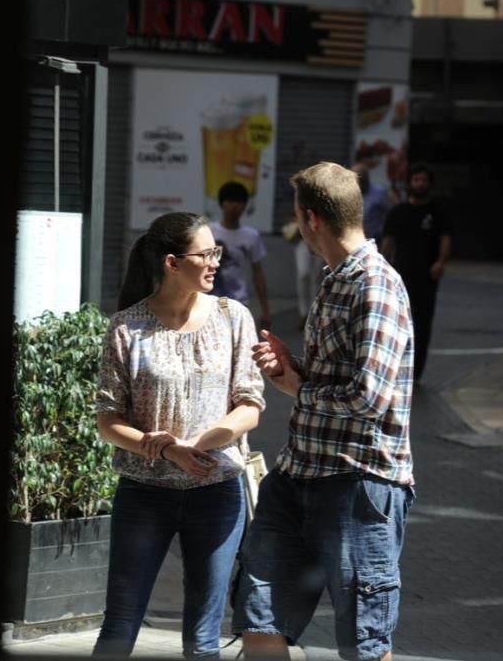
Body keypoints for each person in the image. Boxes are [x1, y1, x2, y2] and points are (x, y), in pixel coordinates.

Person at [232, 162, 415, 661]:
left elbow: (368, 398)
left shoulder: (375, 285)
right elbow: (333, 379)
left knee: (363, 643)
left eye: (295, 216)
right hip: (297, 478)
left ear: (311, 219)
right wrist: (293, 366)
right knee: (259, 621)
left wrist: (298, 386)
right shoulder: (336, 279)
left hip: (359, 488)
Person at [93, 211, 266, 659]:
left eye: (217, 252)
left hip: (218, 490)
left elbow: (250, 405)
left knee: (205, 639)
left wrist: (199, 446)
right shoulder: (127, 327)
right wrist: (166, 450)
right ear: (172, 262)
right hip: (144, 492)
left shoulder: (233, 317)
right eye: (206, 254)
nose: (216, 262)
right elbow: (107, 421)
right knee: (120, 624)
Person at [380, 162, 453, 382]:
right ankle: (393, 367)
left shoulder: (438, 212)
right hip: (400, 277)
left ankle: (415, 372)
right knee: (395, 323)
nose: (420, 184)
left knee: (421, 325)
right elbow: (388, 242)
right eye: (416, 180)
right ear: (409, 184)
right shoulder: (398, 212)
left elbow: (446, 238)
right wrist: (383, 267)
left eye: (424, 180)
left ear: (429, 184)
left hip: (426, 279)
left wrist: (440, 262)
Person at [209, 181, 271, 330]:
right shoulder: (208, 231)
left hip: (238, 301)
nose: (235, 206)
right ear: (221, 204)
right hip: (209, 299)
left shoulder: (251, 236)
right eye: (230, 201)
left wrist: (265, 310)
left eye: (239, 202)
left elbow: (258, 272)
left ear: (245, 205)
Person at [351, 161, 392, 242]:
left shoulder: (379, 192)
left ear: (367, 179)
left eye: (361, 178)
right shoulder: (348, 192)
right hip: (354, 240)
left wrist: (381, 231)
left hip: (375, 239)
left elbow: (388, 215)